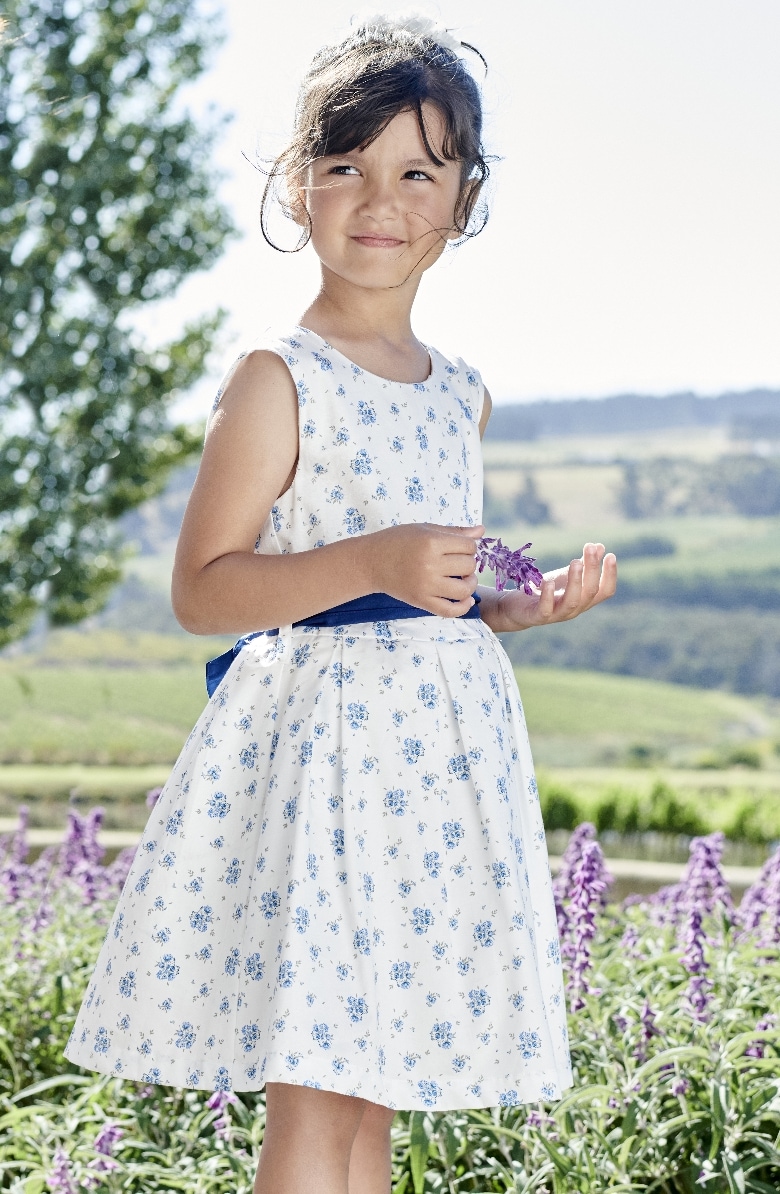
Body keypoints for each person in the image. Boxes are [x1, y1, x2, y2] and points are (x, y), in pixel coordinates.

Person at [65, 13, 617, 1193]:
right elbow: (204, 591)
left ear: (462, 198)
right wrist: (377, 562)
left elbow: (426, 593)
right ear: (299, 190)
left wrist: (502, 613)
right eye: (346, 168)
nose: (382, 197)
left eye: (418, 170)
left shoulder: (459, 393)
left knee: (371, 1100)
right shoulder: (279, 377)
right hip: (327, 774)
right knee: (317, 1094)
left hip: (429, 776)